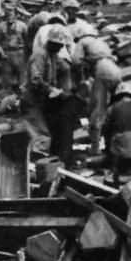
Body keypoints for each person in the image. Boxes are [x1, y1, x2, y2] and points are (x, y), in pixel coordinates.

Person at [26, 25, 80, 165]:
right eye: (56, 45)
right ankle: (36, 168)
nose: (58, 48)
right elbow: (35, 79)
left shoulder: (54, 55)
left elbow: (65, 68)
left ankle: (47, 163)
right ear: (50, 42)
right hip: (33, 101)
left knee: (50, 131)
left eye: (60, 46)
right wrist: (51, 90)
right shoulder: (40, 55)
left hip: (43, 100)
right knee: (41, 136)